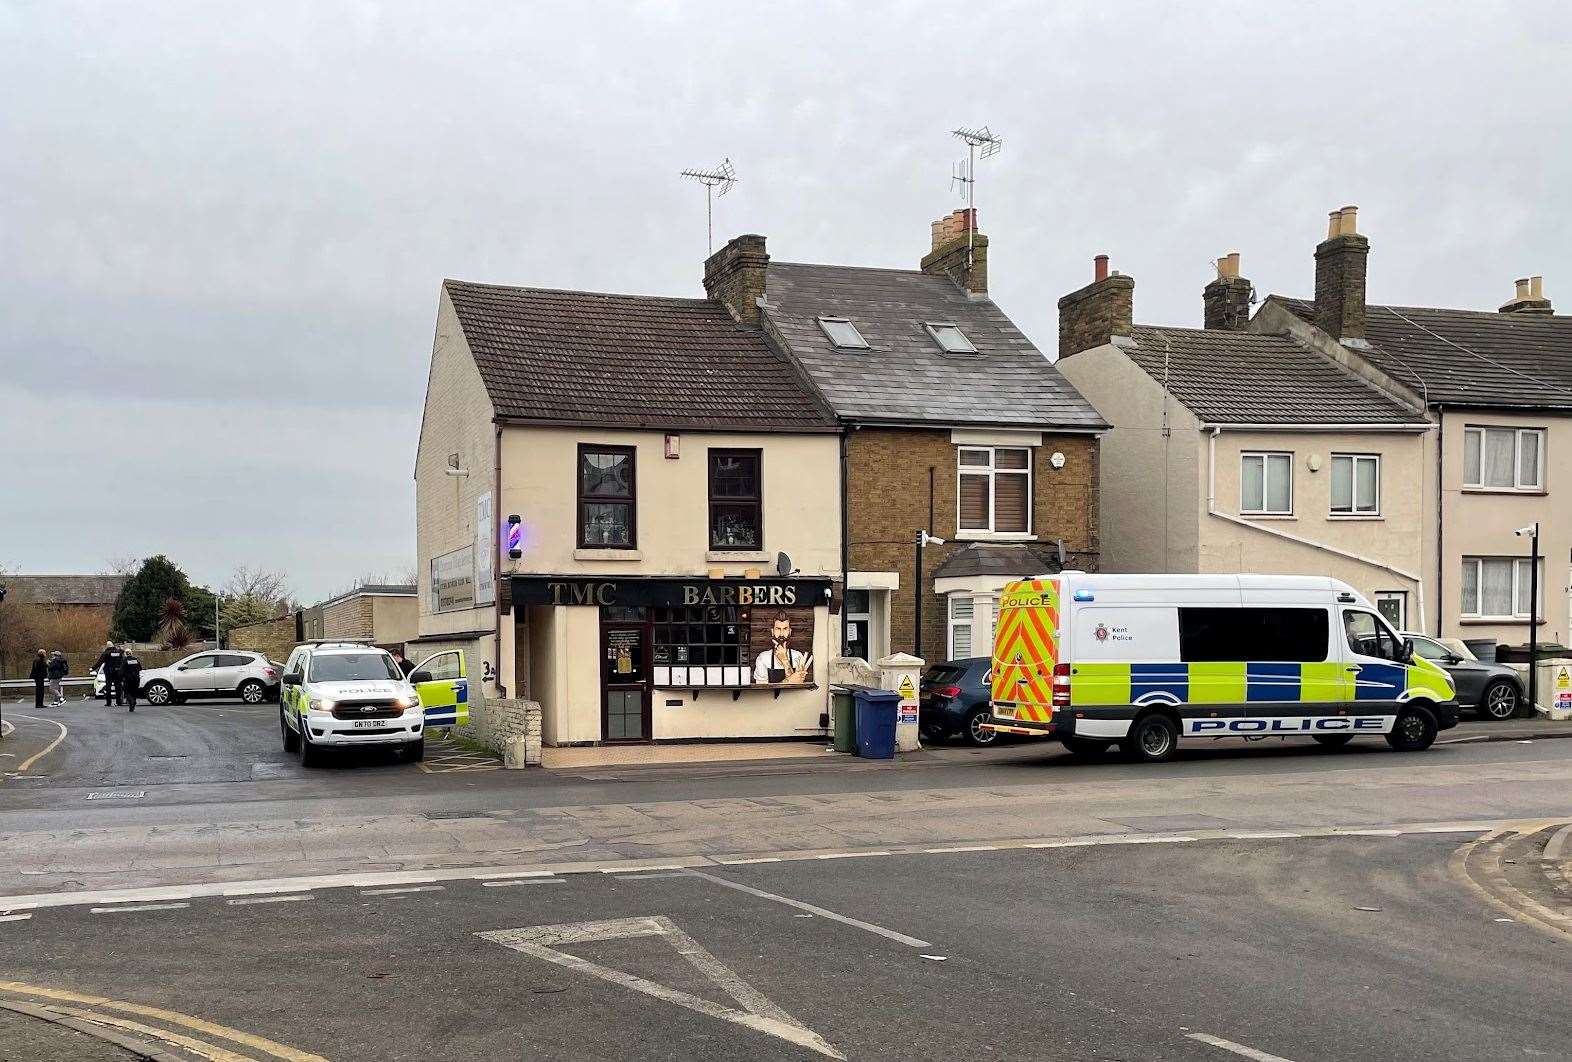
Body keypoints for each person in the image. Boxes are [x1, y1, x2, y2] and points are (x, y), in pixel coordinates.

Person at [752, 612, 811, 685]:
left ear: (790, 631)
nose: (781, 634)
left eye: (785, 629)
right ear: (772, 632)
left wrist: (784, 659)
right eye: (778, 629)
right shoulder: (763, 658)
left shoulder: (798, 656)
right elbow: (762, 691)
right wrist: (788, 681)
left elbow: (797, 685)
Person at [93, 640, 126, 707]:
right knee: (118, 687)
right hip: (117, 672)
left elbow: (100, 661)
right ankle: (119, 702)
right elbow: (123, 659)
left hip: (109, 672)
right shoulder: (119, 652)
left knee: (108, 687)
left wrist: (93, 668)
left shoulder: (106, 653)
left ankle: (108, 702)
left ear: (107, 646)